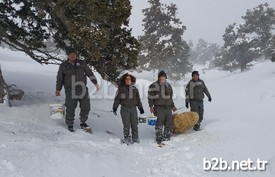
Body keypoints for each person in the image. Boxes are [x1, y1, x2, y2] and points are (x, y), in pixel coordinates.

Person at [55, 48, 100, 132]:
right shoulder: (63, 66)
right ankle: (70, 124)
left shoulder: (82, 64)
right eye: (71, 54)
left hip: (82, 89)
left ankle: (83, 122)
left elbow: (90, 73)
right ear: (68, 55)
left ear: (76, 55)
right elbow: (60, 78)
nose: (73, 55)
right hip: (70, 90)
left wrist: (95, 83)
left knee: (86, 107)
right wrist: (58, 89)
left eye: (74, 54)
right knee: (70, 107)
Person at [113, 73, 145, 144]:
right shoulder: (121, 89)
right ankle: (127, 138)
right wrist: (115, 108)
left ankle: (135, 138)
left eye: (129, 79)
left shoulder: (135, 89)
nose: (128, 80)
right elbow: (117, 99)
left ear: (131, 80)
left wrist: (141, 108)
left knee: (134, 124)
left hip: (133, 109)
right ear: (124, 80)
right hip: (125, 109)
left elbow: (138, 100)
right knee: (126, 125)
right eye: (126, 79)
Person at [148, 71, 177, 144]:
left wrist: (173, 106)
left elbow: (170, 98)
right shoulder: (153, 85)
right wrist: (151, 106)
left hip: (168, 107)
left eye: (163, 76)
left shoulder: (168, 86)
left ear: (165, 77)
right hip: (158, 108)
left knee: (169, 122)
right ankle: (159, 137)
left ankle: (167, 136)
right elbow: (150, 97)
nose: (162, 78)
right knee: (159, 123)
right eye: (160, 76)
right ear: (158, 77)